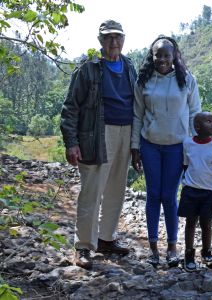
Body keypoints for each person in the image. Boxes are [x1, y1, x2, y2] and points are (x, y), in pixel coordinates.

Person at [60, 20, 137, 269]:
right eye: (108, 37)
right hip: (96, 134)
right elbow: (71, 107)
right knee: (92, 191)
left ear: (124, 39)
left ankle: (106, 239)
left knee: (116, 189)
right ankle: (83, 246)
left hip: (126, 132)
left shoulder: (129, 66)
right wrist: (71, 143)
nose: (113, 42)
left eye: (118, 37)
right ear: (100, 40)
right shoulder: (88, 68)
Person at [131, 35, 201, 267]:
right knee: (153, 195)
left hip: (177, 147)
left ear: (174, 56)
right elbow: (137, 116)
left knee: (169, 197)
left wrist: (192, 148)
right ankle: (153, 249)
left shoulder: (187, 80)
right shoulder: (144, 81)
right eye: (158, 54)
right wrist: (135, 148)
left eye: (166, 54)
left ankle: (172, 246)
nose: (162, 58)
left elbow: (194, 115)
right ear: (152, 56)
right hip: (150, 145)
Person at [177, 112, 212, 272]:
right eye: (208, 121)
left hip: (209, 193)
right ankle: (189, 255)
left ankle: (206, 252)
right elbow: (185, 165)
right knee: (190, 223)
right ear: (197, 126)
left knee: (207, 223)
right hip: (190, 190)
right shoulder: (187, 144)